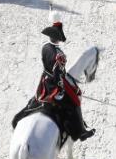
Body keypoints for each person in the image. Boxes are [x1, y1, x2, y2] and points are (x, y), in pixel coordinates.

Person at [12, 13, 95, 142]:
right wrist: (61, 90)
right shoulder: (59, 54)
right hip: (54, 86)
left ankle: (19, 117)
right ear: (58, 39)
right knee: (75, 102)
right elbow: (58, 76)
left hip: (44, 81)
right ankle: (80, 132)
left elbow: (49, 68)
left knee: (35, 100)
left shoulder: (45, 47)